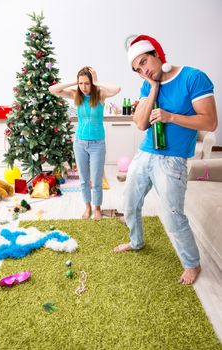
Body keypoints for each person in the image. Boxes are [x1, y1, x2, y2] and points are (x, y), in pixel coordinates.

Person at [114, 35, 218, 285]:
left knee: (173, 215)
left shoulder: (193, 77)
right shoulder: (148, 85)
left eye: (144, 61)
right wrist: (152, 89)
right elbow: (140, 124)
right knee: (129, 203)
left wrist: (171, 117)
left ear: (157, 53)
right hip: (145, 153)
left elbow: (210, 122)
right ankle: (136, 242)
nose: (143, 70)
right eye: (137, 69)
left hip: (172, 161)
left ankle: (192, 264)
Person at [49, 67, 120, 220]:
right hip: (79, 143)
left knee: (96, 180)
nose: (84, 87)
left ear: (92, 83)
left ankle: (97, 208)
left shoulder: (100, 95)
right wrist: (74, 81)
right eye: (81, 83)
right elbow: (52, 89)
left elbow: (117, 89)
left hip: (97, 144)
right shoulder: (76, 94)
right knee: (83, 179)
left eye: (87, 83)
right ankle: (87, 207)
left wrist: (97, 82)